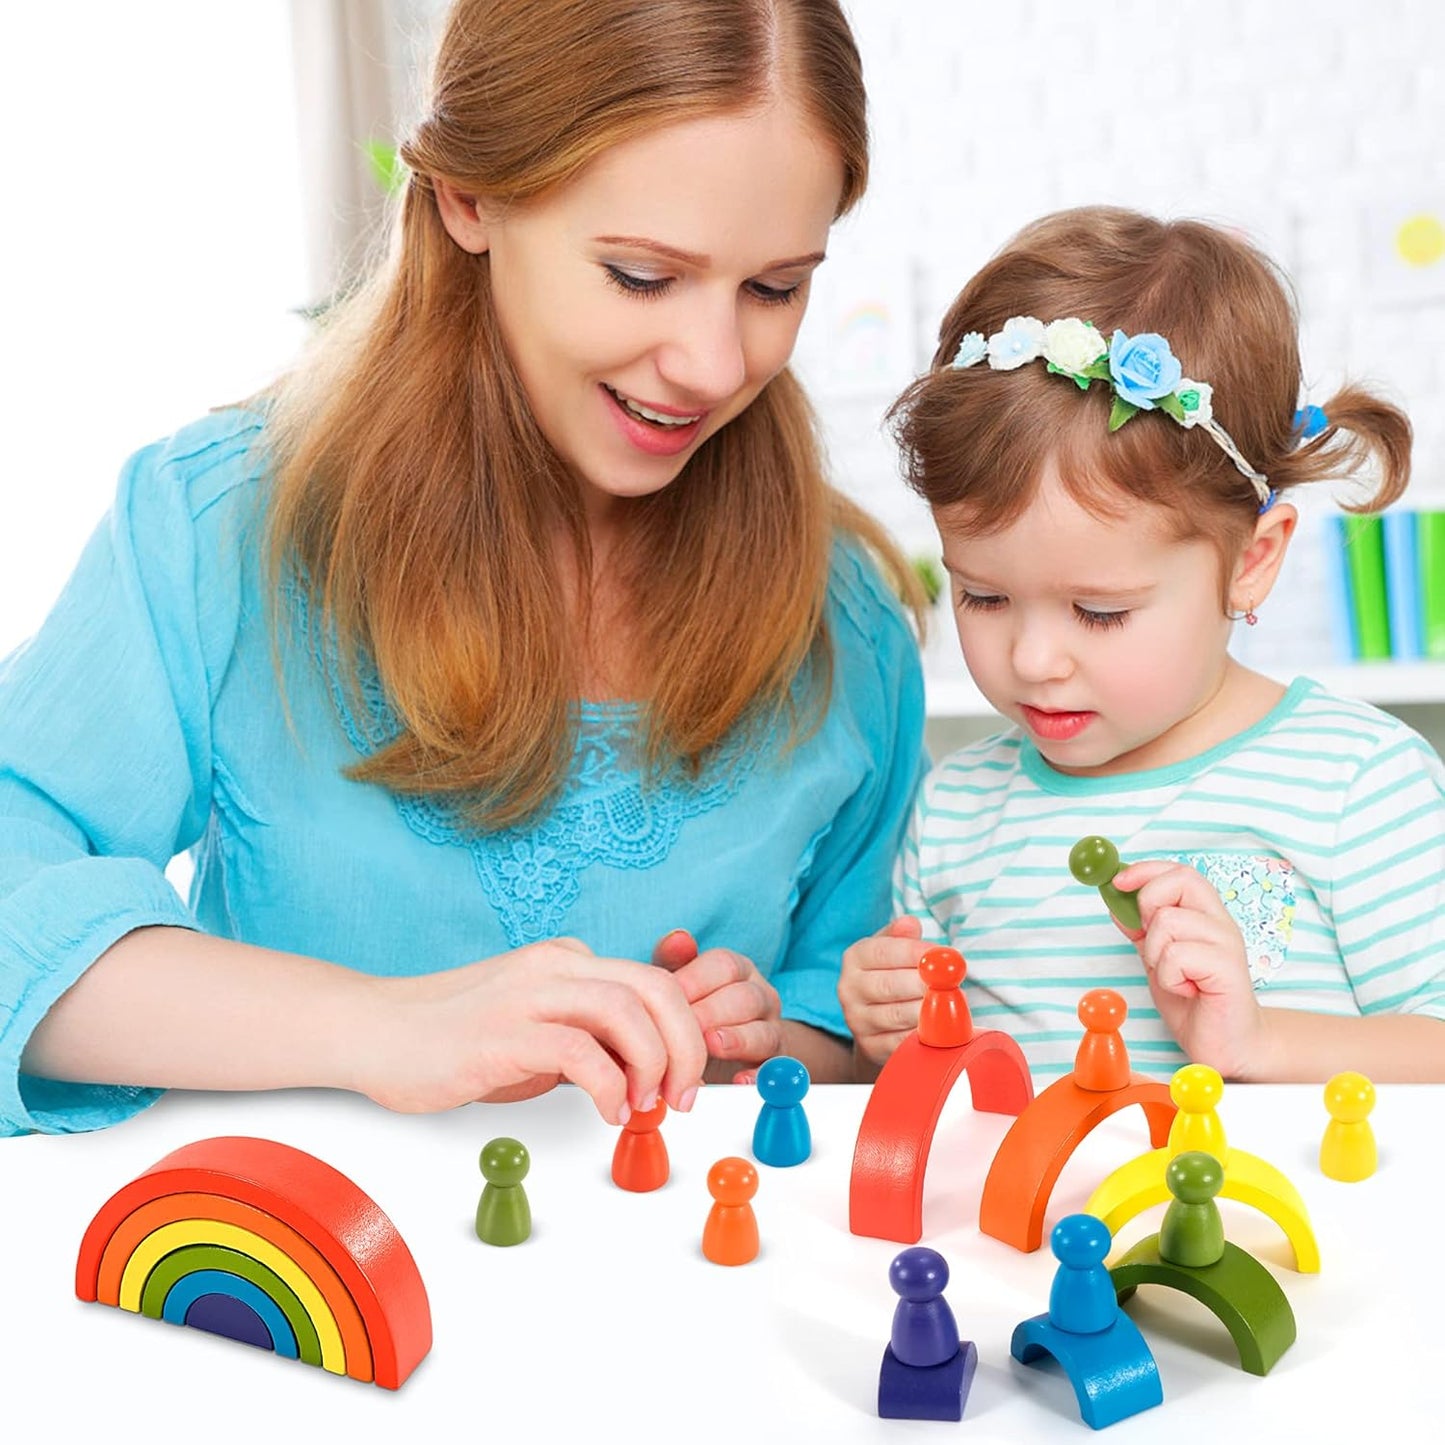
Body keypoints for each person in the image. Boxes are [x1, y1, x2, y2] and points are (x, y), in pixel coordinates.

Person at [0, 0, 928, 1138]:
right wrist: (389, 1027)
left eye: (774, 287)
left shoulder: (846, 623)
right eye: (641, 275)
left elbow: (851, 1034)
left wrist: (768, 1044)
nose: (710, 363)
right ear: (468, 197)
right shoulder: (215, 528)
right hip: (295, 1297)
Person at [840, 206, 1445, 1084]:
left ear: (1251, 561)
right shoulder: (956, 811)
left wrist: (1263, 1041)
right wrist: (884, 1032)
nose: (1032, 658)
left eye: (1098, 611)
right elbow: (928, 1096)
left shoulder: (1355, 784)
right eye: (983, 594)